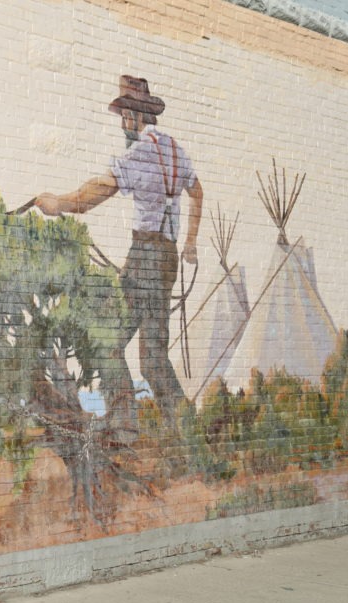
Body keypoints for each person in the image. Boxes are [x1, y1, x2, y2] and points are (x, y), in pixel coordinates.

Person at [35, 75, 203, 442]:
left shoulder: (140, 152)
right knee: (154, 357)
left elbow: (96, 192)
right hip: (167, 257)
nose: (122, 124)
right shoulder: (174, 148)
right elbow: (197, 191)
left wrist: (57, 203)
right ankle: (188, 435)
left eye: (123, 116)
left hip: (145, 256)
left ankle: (124, 429)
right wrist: (189, 241)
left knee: (107, 341)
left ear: (132, 116)